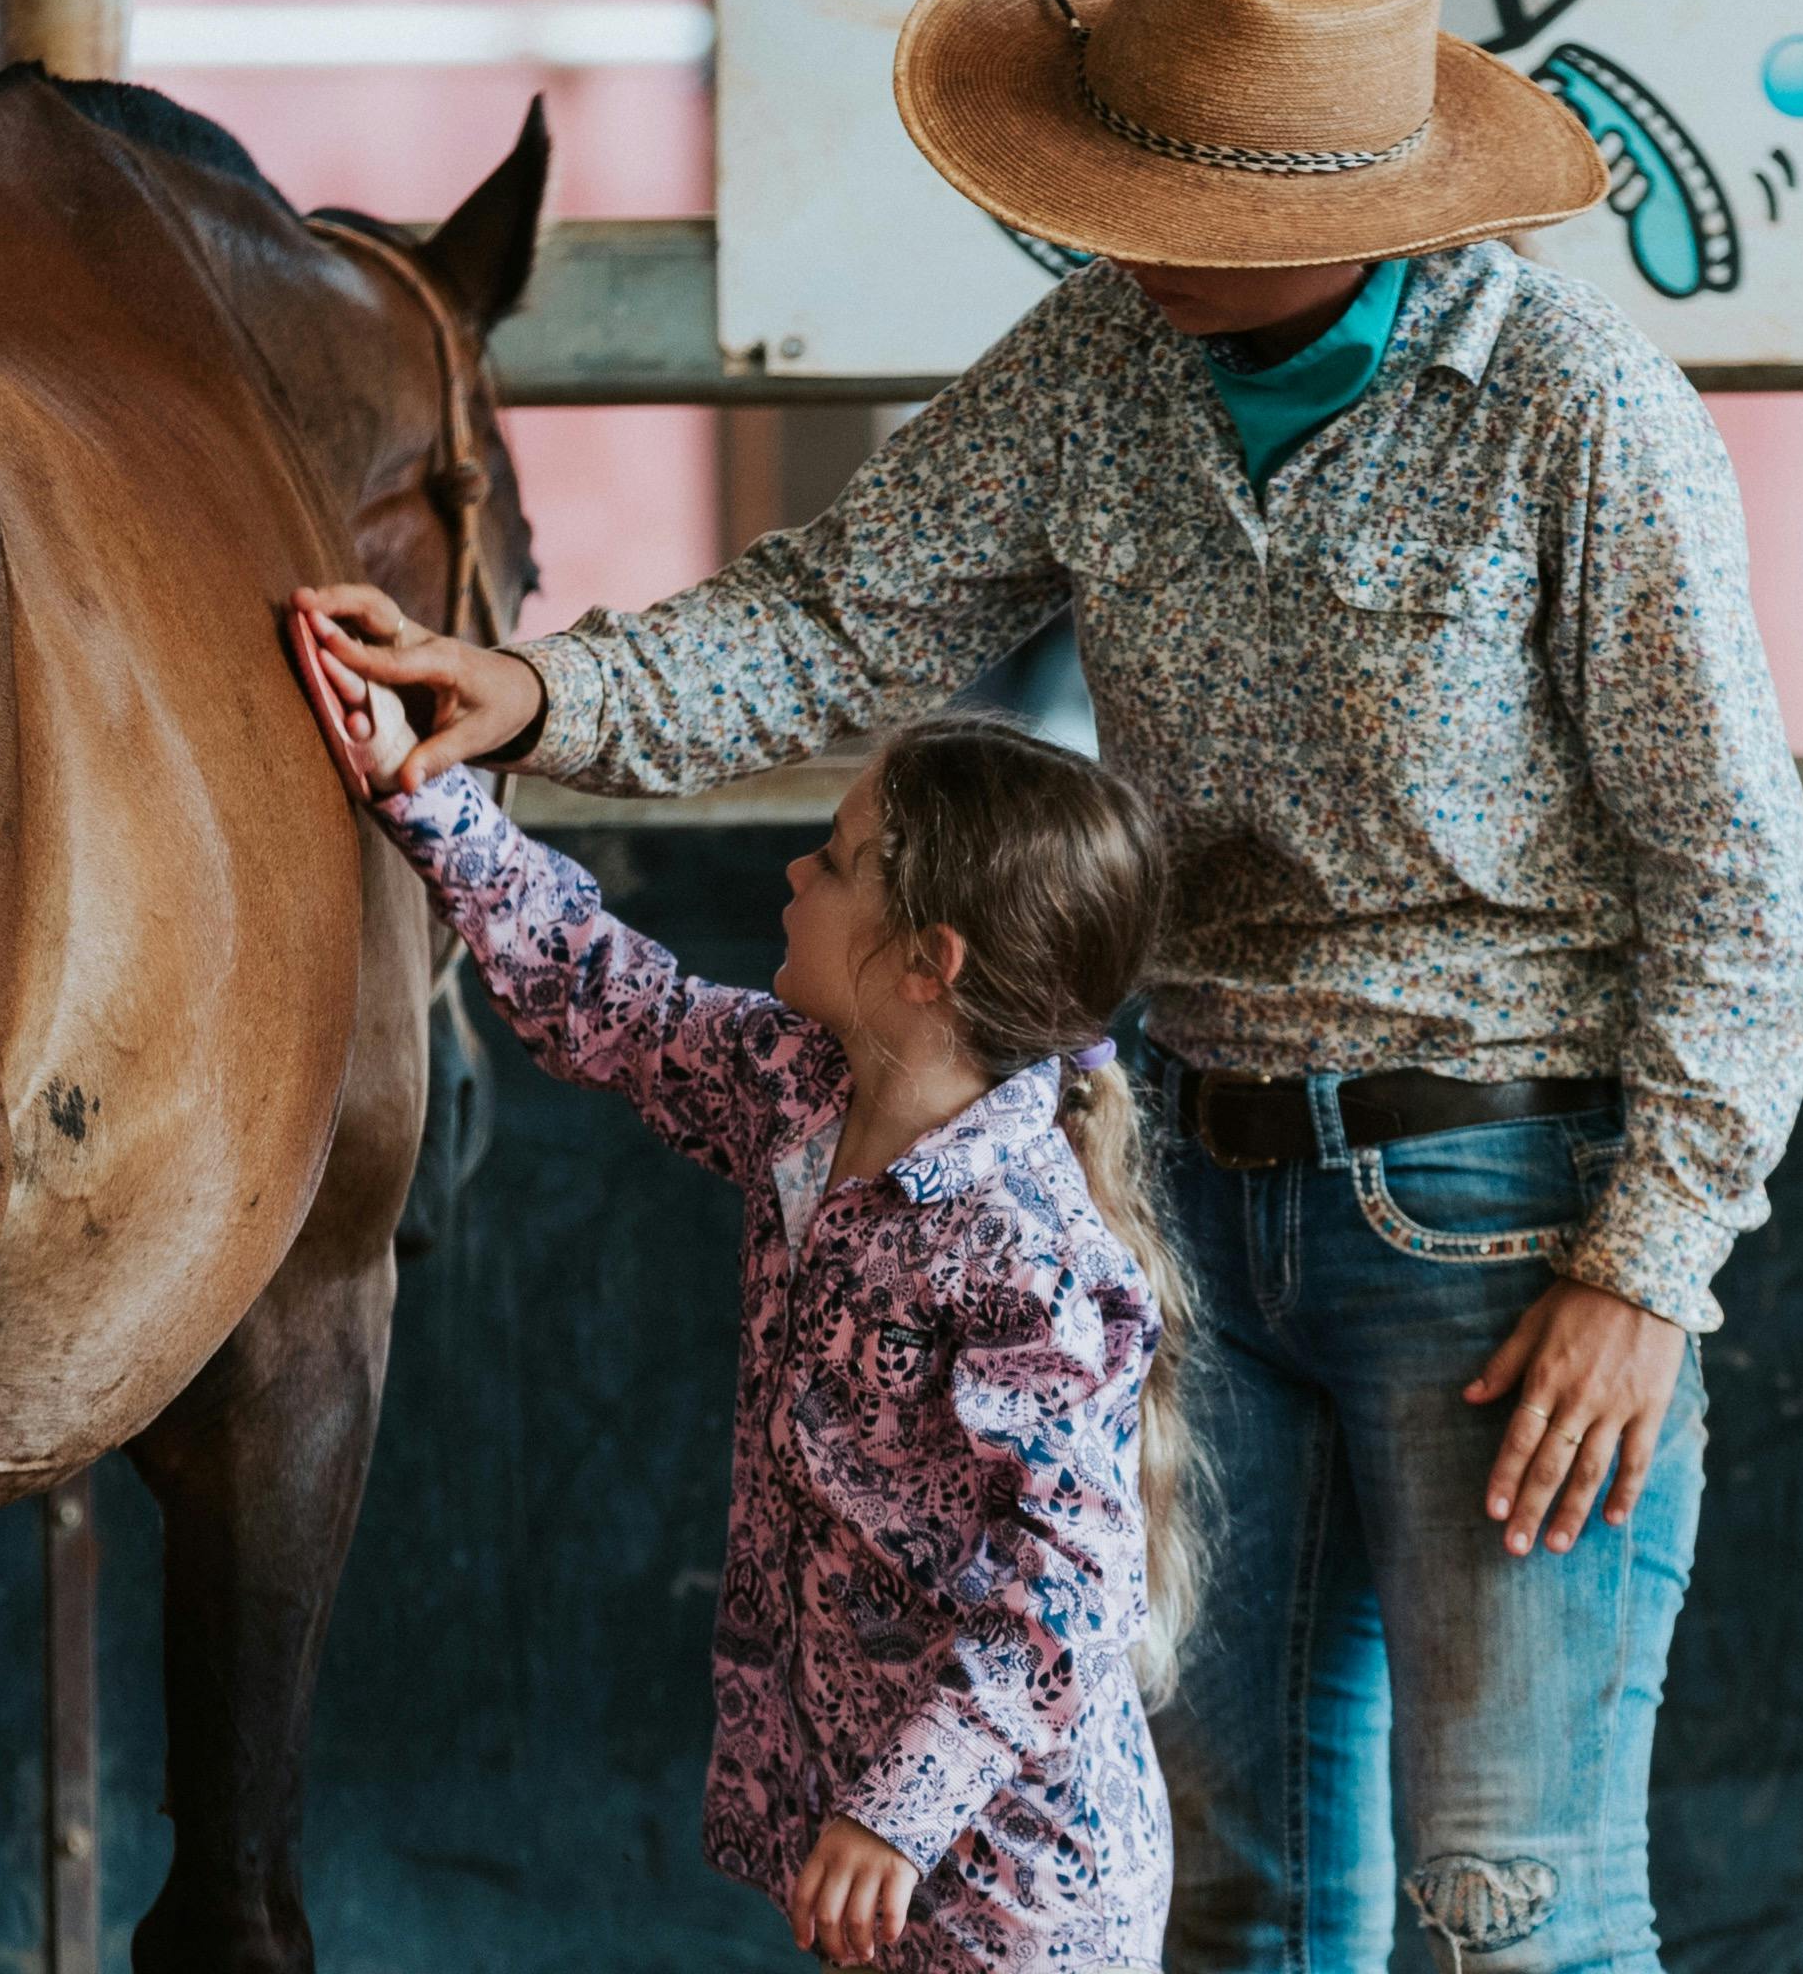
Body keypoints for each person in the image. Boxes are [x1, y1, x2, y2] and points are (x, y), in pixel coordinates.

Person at [308, 0, 1803, 1968]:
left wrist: (1649, 1259)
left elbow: (1731, 865)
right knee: (1250, 1896)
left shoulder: (1578, 412)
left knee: (1513, 1913)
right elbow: (849, 607)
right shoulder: (1110, 362)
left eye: (1157, 186)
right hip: (1184, 1183)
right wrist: (545, 695)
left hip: (1502, 1209)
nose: (1110, 224)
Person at [314, 641, 1202, 1972]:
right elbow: (606, 996)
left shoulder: (1031, 1251)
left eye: (835, 861)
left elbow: (1070, 1586)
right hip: (871, 1854)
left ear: (925, 963)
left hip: (1020, 1890)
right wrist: (420, 787)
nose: (796, 870)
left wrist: (898, 1816)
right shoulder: (796, 1090)